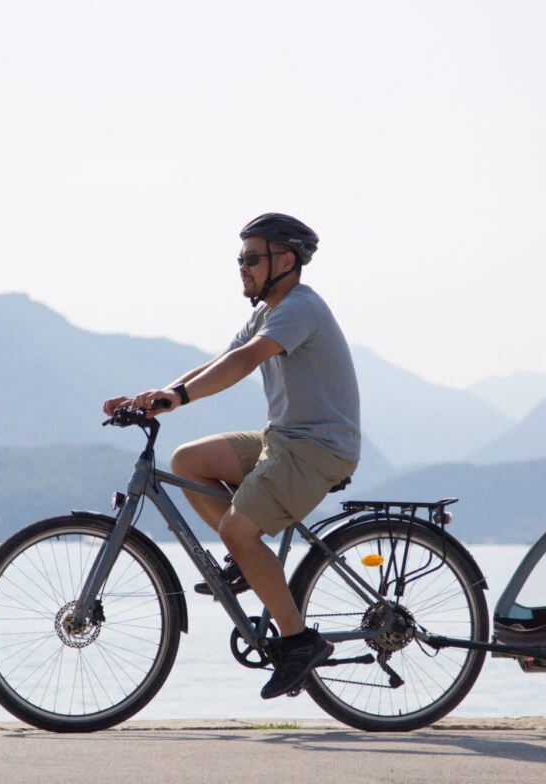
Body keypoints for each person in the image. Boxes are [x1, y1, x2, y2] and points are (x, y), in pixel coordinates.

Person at [102, 213, 361, 699]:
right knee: (187, 461)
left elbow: (244, 362)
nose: (243, 267)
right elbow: (222, 359)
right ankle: (248, 561)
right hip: (283, 438)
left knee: (238, 531)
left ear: (286, 261)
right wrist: (157, 395)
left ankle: (298, 642)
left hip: (318, 449)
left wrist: (179, 398)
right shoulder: (268, 312)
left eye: (252, 259)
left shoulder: (300, 308)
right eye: (240, 259)